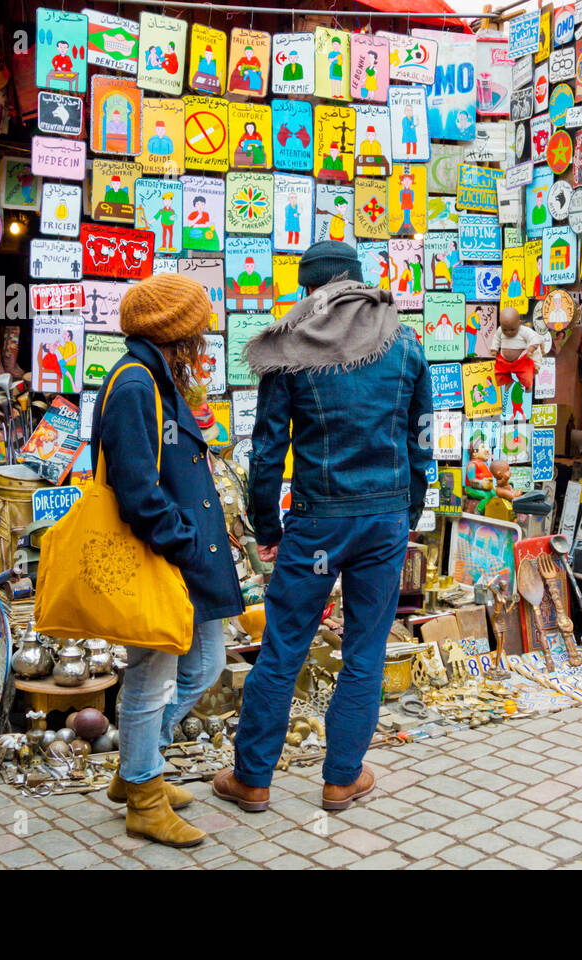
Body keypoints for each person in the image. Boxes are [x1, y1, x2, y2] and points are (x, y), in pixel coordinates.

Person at [213, 240, 432, 814]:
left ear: (311, 289)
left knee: (284, 647)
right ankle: (342, 779)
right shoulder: (403, 340)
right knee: (364, 650)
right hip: (383, 521)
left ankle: (253, 780)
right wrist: (408, 512)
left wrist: (266, 523)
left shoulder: (294, 343)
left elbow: (267, 449)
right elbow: (422, 438)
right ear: (358, 280)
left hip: (316, 522)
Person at [90, 274, 243, 847]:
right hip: (160, 558)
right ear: (175, 335)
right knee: (150, 682)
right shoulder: (134, 384)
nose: (204, 342)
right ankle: (144, 798)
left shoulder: (153, 378)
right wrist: (181, 541)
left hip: (183, 558)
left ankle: (137, 766)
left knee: (204, 664)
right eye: (198, 332)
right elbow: (137, 491)